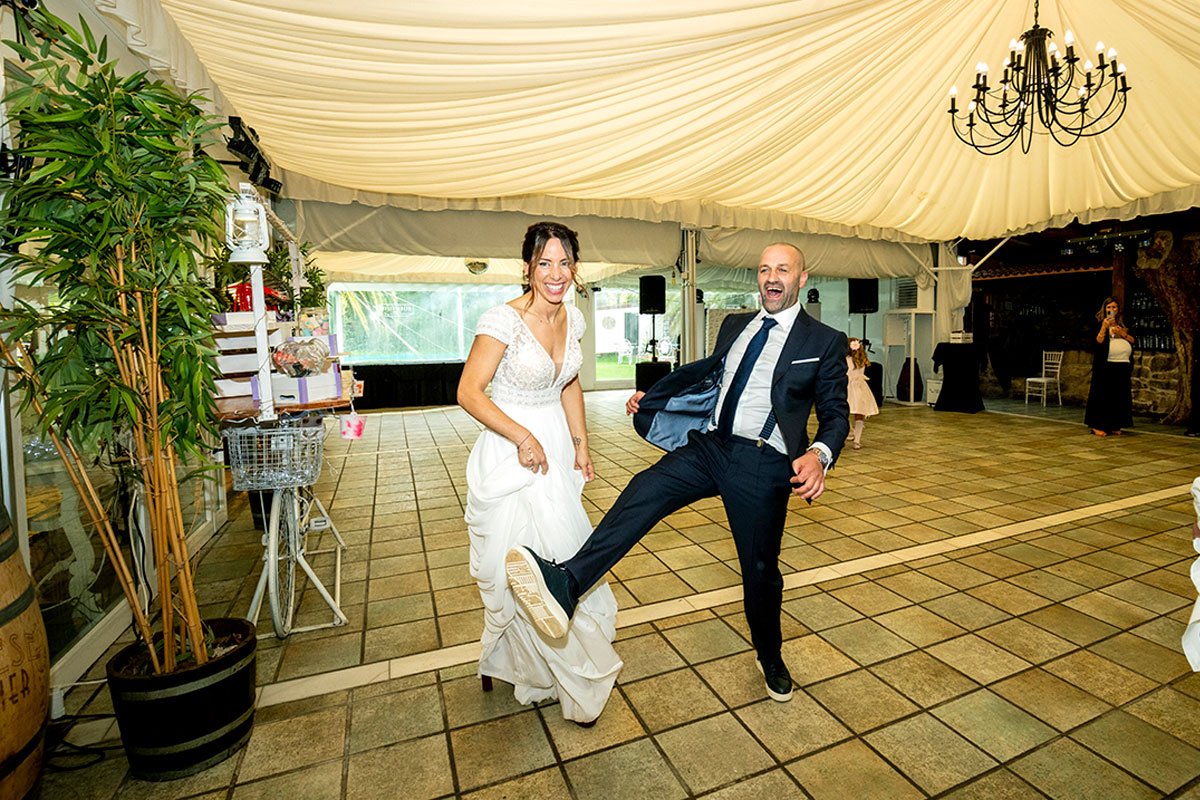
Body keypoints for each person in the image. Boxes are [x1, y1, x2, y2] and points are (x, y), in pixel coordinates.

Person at [506, 243, 849, 704]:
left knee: (760, 571)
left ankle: (770, 655)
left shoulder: (822, 340)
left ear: (801, 278)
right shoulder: (736, 324)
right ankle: (568, 583)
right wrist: (654, 397)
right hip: (711, 446)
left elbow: (835, 412)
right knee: (645, 488)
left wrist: (819, 454)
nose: (771, 277)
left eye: (782, 270)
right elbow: (706, 376)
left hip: (763, 461)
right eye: (764, 268)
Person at [456, 221, 621, 725]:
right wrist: (522, 437)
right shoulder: (502, 320)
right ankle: (539, 665)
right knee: (521, 562)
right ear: (527, 267)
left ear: (575, 268)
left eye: (564, 263)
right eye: (545, 263)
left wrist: (581, 443)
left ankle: (559, 660)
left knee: (561, 554)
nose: (555, 273)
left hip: (555, 448)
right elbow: (468, 392)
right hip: (511, 450)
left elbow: (568, 382)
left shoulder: (574, 316)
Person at [1084, 297, 1136, 436]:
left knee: (1119, 395)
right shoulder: (1099, 322)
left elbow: (1133, 340)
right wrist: (1104, 327)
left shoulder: (1123, 322)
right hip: (1105, 364)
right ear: (1104, 309)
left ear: (1118, 309)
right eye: (1109, 307)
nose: (1111, 310)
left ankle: (1115, 423)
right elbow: (1098, 341)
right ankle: (1096, 425)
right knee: (1102, 395)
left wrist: (1122, 333)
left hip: (1122, 364)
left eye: (1114, 307)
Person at [846, 336, 878, 449]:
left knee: (844, 411)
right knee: (859, 414)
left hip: (848, 387)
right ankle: (857, 440)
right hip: (860, 388)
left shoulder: (845, 359)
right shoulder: (861, 360)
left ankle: (850, 431)